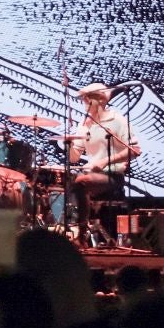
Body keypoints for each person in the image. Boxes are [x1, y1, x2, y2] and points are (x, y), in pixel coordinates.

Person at [66, 82, 140, 243]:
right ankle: (66, 226)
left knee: (81, 181)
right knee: (69, 180)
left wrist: (105, 161)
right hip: (92, 174)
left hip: (113, 176)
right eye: (83, 99)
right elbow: (74, 158)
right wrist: (68, 145)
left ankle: (80, 229)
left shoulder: (118, 120)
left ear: (100, 99)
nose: (83, 103)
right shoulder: (85, 125)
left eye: (86, 99)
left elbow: (134, 150)